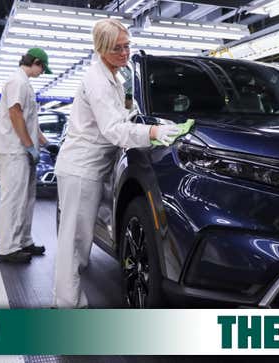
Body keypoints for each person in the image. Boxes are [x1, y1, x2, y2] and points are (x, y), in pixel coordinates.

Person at [53, 19, 193, 309]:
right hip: (82, 168)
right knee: (74, 242)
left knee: (79, 241)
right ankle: (66, 306)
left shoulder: (113, 76)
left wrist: (147, 121)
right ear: (101, 48)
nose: (124, 52)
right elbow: (113, 129)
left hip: (91, 168)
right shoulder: (97, 80)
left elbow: (120, 117)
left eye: (127, 45)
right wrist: (151, 133)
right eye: (117, 48)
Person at [0, 48, 51, 264]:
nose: (42, 72)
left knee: (27, 198)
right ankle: (8, 248)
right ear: (35, 62)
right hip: (13, 150)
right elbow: (15, 113)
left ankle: (24, 240)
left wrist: (46, 144)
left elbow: (29, 122)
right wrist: (29, 146)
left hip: (23, 152)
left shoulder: (26, 84)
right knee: (13, 199)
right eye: (42, 68)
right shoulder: (16, 82)